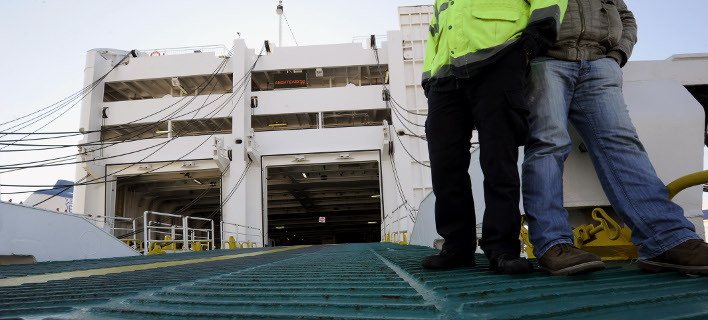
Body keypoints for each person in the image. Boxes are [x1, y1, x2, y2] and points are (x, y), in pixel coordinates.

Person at [523, 0, 708, 276]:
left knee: (623, 146)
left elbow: (625, 18)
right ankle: (553, 244)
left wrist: (617, 55)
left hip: (599, 65)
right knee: (548, 145)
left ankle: (668, 240)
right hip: (545, 61)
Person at [420, 0, 567, 274]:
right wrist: (428, 79)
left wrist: (530, 44)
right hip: (444, 77)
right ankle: (457, 246)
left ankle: (501, 249)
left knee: (499, 160)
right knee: (445, 166)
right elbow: (436, 33)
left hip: (498, 58)